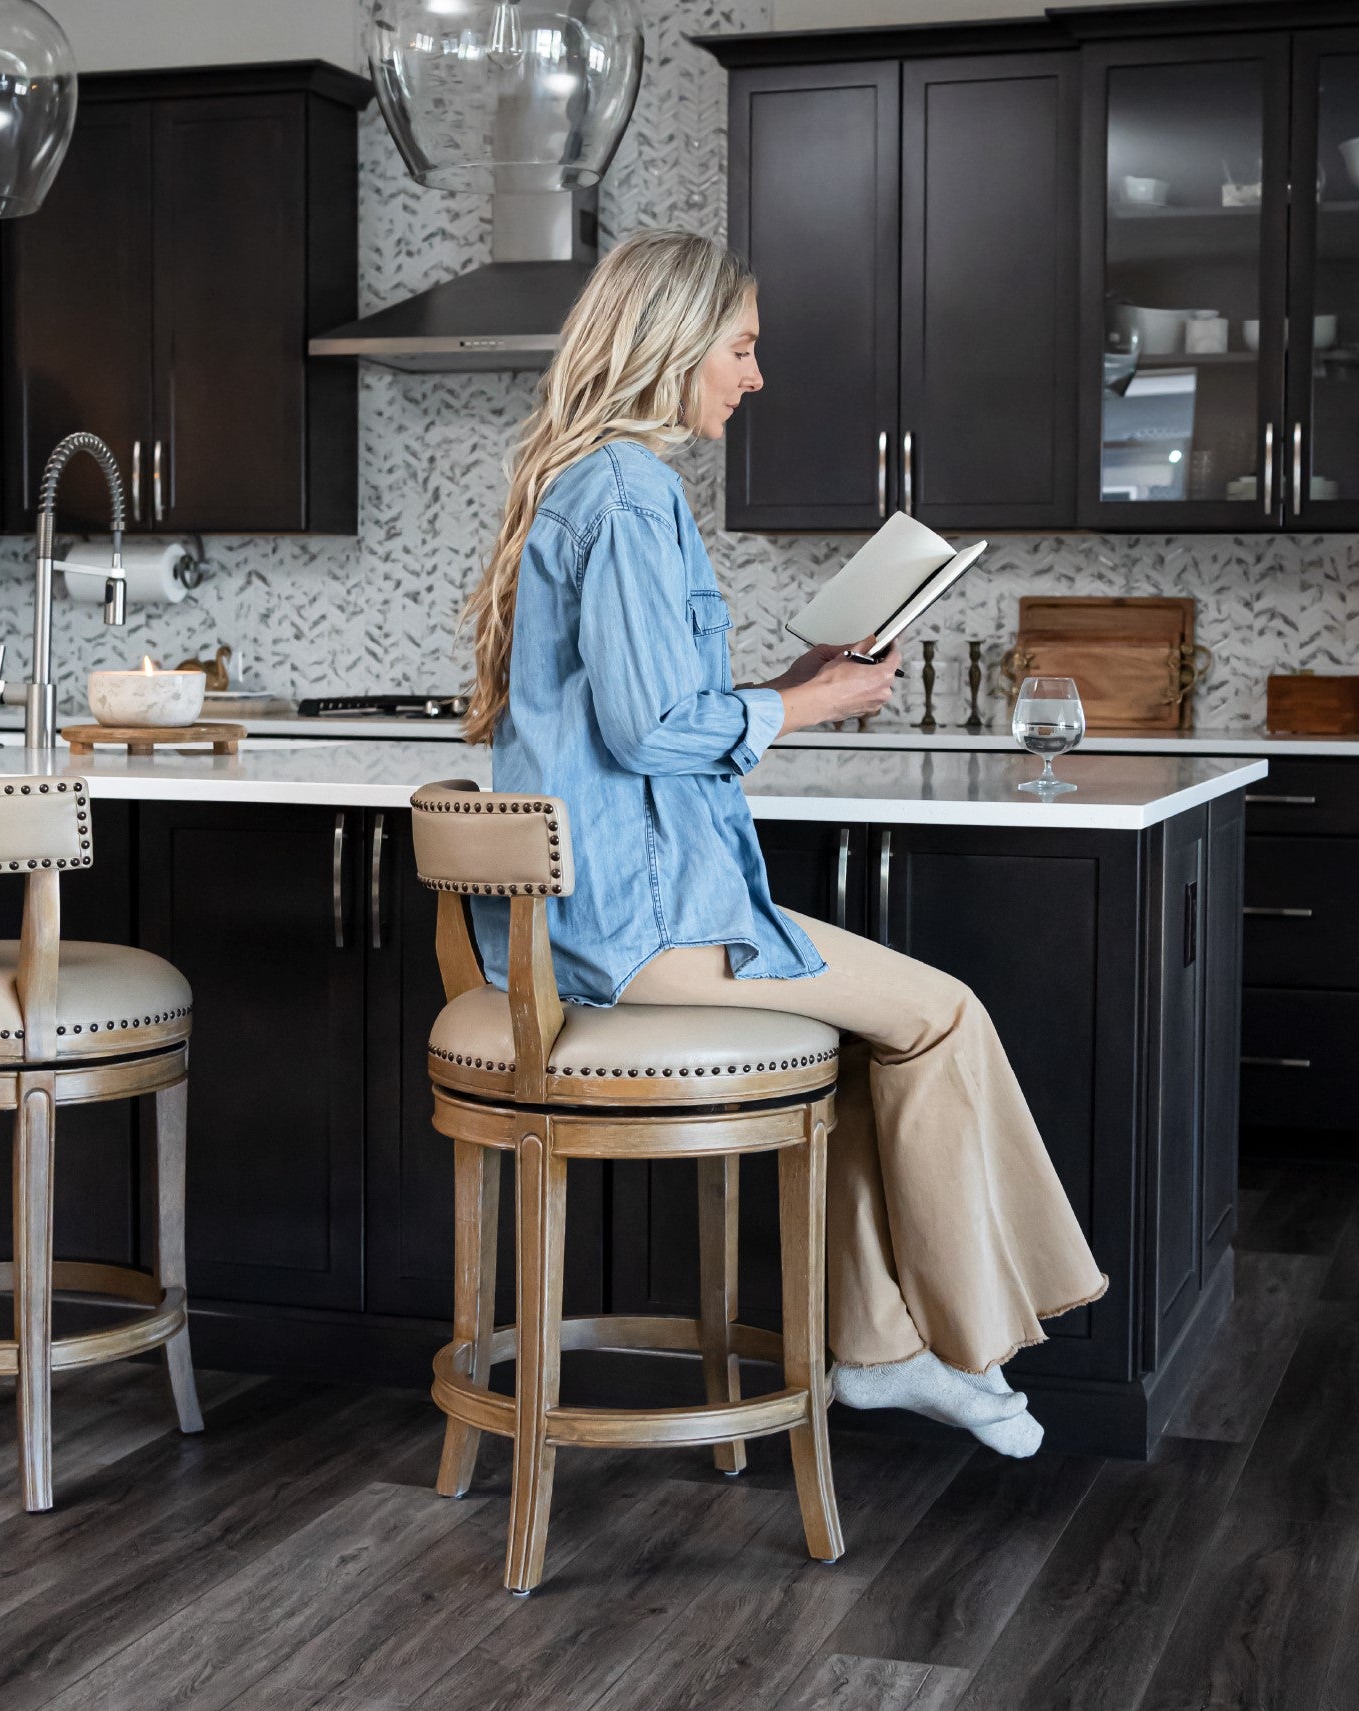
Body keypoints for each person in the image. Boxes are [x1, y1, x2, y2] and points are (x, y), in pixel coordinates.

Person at [461, 229, 1107, 1455]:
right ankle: (964, 1341)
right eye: (743, 348)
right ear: (674, 342)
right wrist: (816, 703)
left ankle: (882, 1350)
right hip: (632, 927)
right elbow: (653, 729)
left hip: (600, 914)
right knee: (943, 1013)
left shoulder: (591, 479)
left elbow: (640, 716)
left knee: (878, 1039)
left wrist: (785, 681)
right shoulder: (629, 488)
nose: (754, 378)